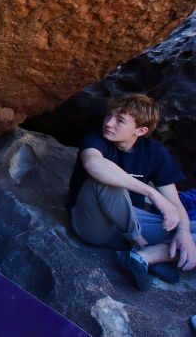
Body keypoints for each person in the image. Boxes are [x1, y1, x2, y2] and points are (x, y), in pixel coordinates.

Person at [67, 94, 196, 290]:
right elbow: (93, 164)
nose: (109, 123)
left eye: (120, 120)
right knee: (105, 179)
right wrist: (152, 193)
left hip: (134, 219)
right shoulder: (95, 138)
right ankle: (140, 244)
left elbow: (175, 203)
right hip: (95, 223)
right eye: (108, 115)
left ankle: (145, 257)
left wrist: (183, 232)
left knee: (188, 231)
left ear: (141, 130)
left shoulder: (154, 153)